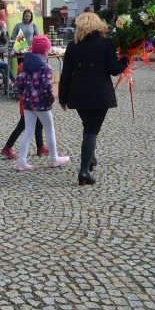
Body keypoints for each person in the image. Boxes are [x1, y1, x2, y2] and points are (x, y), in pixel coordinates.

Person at [58, 12, 128, 186]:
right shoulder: (106, 43)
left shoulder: (73, 45)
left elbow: (65, 73)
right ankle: (83, 171)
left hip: (78, 93)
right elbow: (114, 69)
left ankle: (90, 159)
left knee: (88, 126)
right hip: (99, 93)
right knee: (91, 130)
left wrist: (62, 97)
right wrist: (125, 60)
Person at [12, 35, 68, 171]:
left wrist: (24, 94)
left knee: (28, 131)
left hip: (27, 103)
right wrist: (50, 100)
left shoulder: (25, 64)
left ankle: (21, 161)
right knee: (49, 128)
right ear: (45, 51)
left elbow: (18, 83)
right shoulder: (45, 67)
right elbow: (46, 87)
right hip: (41, 104)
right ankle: (54, 158)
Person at [9, 9, 40, 81]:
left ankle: (29, 83)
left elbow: (38, 38)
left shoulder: (34, 26)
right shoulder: (18, 25)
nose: (27, 17)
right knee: (21, 68)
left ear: (31, 17)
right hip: (20, 51)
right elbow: (13, 37)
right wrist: (17, 45)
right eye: (26, 16)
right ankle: (20, 84)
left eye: (29, 16)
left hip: (30, 51)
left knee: (29, 68)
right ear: (23, 16)